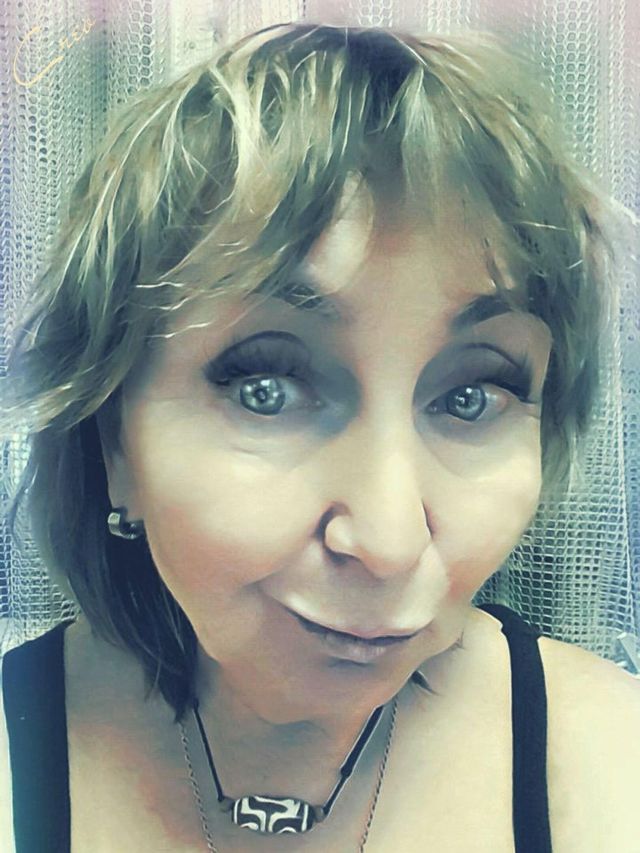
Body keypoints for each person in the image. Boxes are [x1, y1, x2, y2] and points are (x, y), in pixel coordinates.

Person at [1, 21, 638, 853]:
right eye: (266, 389)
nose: (389, 543)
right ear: (113, 440)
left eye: (471, 396)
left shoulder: (610, 764)